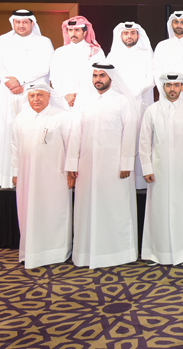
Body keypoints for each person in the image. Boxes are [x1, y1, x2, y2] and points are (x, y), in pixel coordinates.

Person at [65, 63, 139, 268]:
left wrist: (126, 162)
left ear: (111, 78)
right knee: (87, 209)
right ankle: (87, 254)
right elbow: (75, 133)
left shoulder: (122, 102)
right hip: (87, 167)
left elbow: (130, 132)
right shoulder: (84, 101)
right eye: (95, 75)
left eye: (102, 75)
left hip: (115, 168)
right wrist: (72, 162)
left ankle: (118, 253)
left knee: (115, 208)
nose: (98, 78)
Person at [138, 72, 183, 266]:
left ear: (182, 88)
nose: (172, 89)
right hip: (159, 171)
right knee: (158, 211)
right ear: (162, 87)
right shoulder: (152, 111)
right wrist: (147, 168)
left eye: (176, 85)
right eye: (168, 85)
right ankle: (156, 253)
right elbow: (144, 141)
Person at [0, 9, 54, 188]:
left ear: (32, 23)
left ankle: (32, 177)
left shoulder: (43, 42)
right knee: (7, 130)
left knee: (31, 131)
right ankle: (4, 177)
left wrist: (20, 80)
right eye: (18, 22)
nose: (21, 25)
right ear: (13, 23)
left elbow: (45, 66)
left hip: (31, 91)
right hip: (8, 91)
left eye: (25, 22)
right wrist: (8, 80)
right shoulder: (3, 40)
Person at [10, 83, 72, 268]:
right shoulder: (21, 118)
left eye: (40, 95)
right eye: (32, 96)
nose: (35, 99)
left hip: (55, 175)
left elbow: (71, 146)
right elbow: (14, 147)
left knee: (54, 212)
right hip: (27, 176)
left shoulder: (61, 117)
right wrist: (15, 172)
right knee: (29, 212)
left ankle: (57, 252)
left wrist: (71, 172)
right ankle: (32, 252)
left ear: (48, 96)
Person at [108, 21, 156, 189]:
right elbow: (109, 78)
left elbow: (151, 78)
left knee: (141, 138)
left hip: (140, 101)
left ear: (138, 35)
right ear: (120, 35)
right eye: (125, 33)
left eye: (132, 33)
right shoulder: (113, 56)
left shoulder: (146, 53)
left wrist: (134, 92)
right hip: (120, 103)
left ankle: (141, 180)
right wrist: (125, 95)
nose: (129, 36)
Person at [49, 15, 105, 108]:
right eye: (70, 30)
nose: (73, 33)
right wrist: (66, 95)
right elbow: (54, 78)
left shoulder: (95, 51)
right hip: (65, 100)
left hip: (89, 100)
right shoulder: (59, 52)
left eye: (77, 30)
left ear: (84, 32)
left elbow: (100, 76)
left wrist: (81, 97)